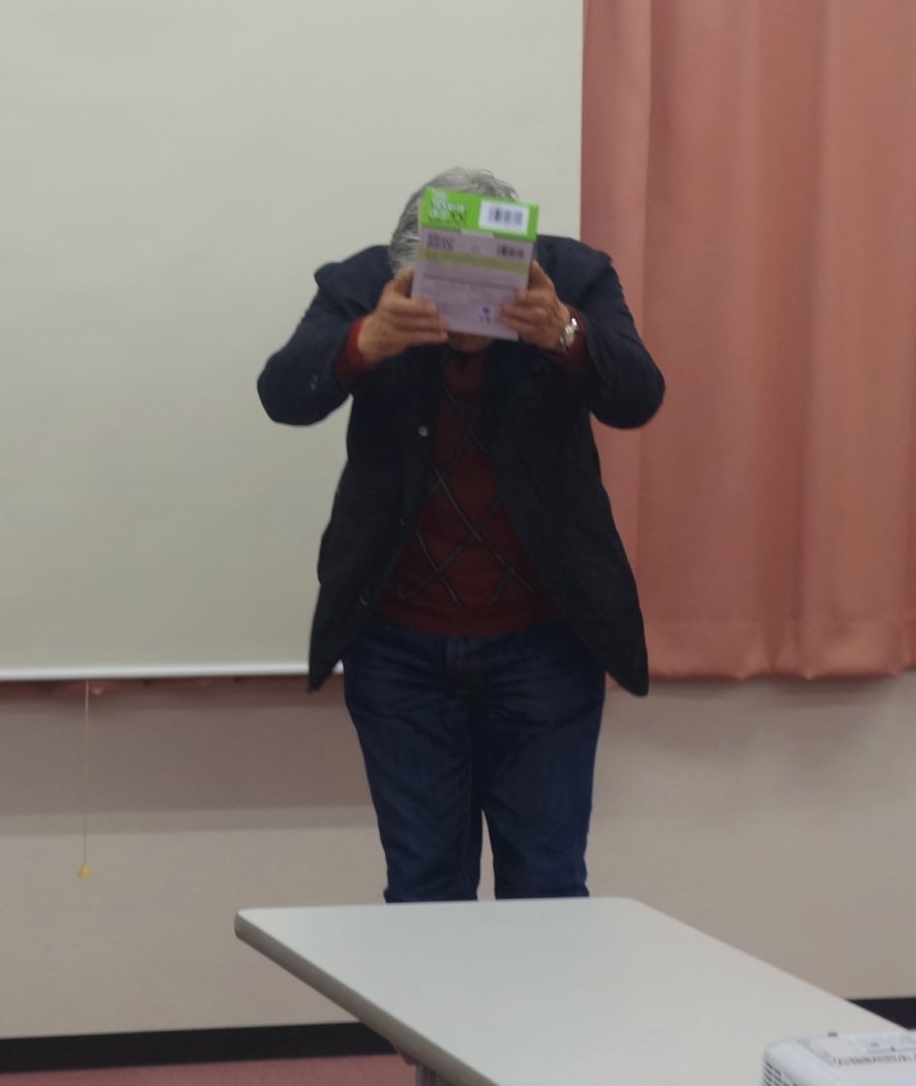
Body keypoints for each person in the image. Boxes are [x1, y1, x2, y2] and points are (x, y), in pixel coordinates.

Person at [257, 167, 663, 905]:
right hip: (398, 647)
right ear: (410, 272)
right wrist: (366, 341)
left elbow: (638, 396)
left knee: (547, 885)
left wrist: (564, 332)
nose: (469, 316)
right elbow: (282, 393)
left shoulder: (572, 277)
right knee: (423, 887)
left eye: (488, 291)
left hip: (545, 643)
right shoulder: (366, 285)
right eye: (445, 293)